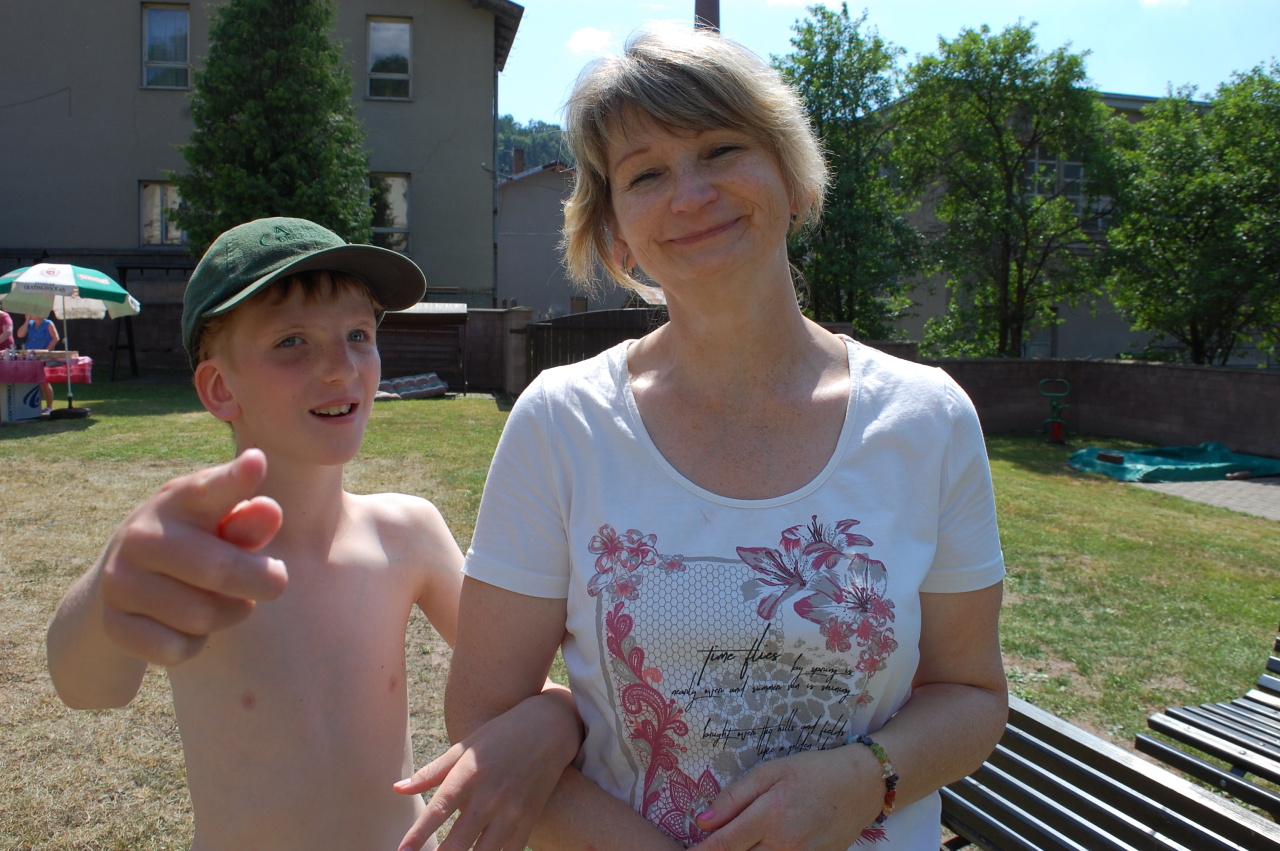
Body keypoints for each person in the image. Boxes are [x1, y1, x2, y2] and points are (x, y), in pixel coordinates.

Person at [397, 26, 1007, 851]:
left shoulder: (928, 420)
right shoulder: (560, 424)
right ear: (616, 230)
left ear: (794, 179)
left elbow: (972, 695)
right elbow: (485, 715)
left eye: (721, 149)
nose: (690, 194)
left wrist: (866, 778)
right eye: (645, 173)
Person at [46, 217, 582, 851]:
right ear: (220, 387)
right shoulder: (193, 555)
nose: (340, 367)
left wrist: (557, 716)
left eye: (358, 334)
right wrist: (108, 590)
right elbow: (88, 689)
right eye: (292, 341)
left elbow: (513, 682)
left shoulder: (407, 533)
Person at [17, 312, 59, 412]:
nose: (29, 313)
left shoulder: (48, 323)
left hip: (43, 357)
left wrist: (46, 351)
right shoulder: (30, 324)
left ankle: (49, 406)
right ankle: (31, 406)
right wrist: (26, 321)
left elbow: (55, 338)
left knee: (44, 381)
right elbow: (20, 334)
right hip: (30, 356)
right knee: (31, 380)